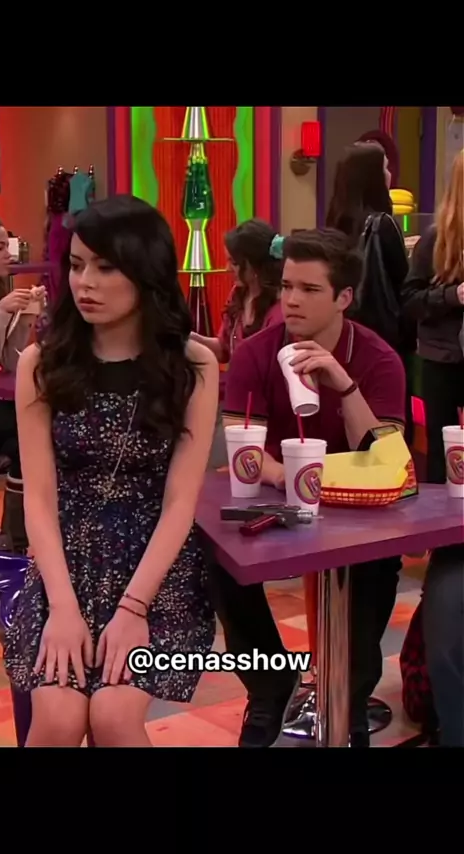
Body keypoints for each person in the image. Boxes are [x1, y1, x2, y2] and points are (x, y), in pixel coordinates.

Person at [4, 195, 219, 747]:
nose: (85, 284)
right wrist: (62, 607)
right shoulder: (43, 364)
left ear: (145, 272)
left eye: (105, 267)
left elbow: (181, 501)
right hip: (64, 562)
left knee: (114, 718)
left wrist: (133, 608)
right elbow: (39, 498)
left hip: (156, 566)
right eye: (77, 266)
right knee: (58, 720)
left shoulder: (193, 365)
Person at [211, 228, 406, 748]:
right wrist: (285, 476)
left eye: (310, 289)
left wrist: (344, 385)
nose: (292, 299)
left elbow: (387, 456)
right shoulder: (256, 353)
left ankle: (348, 704)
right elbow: (242, 444)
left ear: (344, 297)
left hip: (356, 510)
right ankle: (269, 685)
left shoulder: (378, 358)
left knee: (375, 571)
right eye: (287, 286)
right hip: (276, 499)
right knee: (213, 554)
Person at [326, 141, 415, 446]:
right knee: (388, 418)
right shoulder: (383, 224)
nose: (390, 174)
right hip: (385, 334)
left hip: (345, 332)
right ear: (373, 176)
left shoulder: (336, 222)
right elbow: (405, 285)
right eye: (385, 168)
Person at [401, 148, 464, 484]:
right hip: (442, 361)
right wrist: (453, 296)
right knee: (442, 453)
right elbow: (410, 301)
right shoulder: (435, 239)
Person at [0, 216, 45, 552]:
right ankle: (16, 539)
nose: (8, 254)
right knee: (29, 428)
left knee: (29, 437)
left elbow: (9, 361)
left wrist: (27, 317)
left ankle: (14, 539)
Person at [191, 218, 283, 367]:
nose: (227, 269)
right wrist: (189, 338)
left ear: (255, 264)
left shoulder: (280, 307)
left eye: (234, 263)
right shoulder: (238, 294)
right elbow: (223, 350)